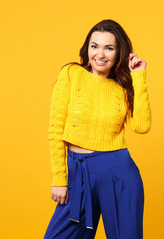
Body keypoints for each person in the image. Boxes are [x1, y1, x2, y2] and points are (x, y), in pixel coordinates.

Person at [44, 19, 151, 239]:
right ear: (87, 48)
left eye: (109, 48)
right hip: (78, 172)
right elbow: (55, 129)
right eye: (95, 46)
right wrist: (60, 179)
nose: (100, 55)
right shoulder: (72, 74)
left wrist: (138, 77)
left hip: (117, 172)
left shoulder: (123, 87)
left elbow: (141, 126)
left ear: (119, 53)